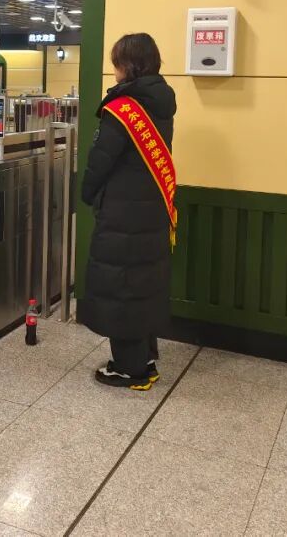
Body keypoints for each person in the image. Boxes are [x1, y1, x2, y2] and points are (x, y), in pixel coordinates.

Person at [79, 33, 177, 391]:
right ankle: (144, 358)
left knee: (121, 285)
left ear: (129, 65)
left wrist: (86, 193)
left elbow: (101, 159)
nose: (114, 69)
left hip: (123, 211)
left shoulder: (125, 108)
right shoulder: (161, 100)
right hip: (151, 208)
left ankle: (130, 369)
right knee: (142, 283)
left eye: (117, 62)